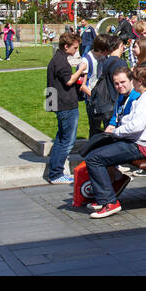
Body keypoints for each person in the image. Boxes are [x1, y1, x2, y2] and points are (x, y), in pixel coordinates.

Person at [84, 64, 146, 218]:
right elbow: (130, 119)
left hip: (140, 146)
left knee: (94, 159)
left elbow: (136, 125)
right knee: (94, 152)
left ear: (139, 81)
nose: (131, 83)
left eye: (132, 79)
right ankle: (105, 196)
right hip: (136, 142)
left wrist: (116, 132)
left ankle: (110, 202)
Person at [45, 32, 86, 185]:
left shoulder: (57, 59)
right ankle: (56, 174)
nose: (76, 50)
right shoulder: (61, 61)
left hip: (59, 103)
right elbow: (69, 81)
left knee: (61, 138)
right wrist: (81, 69)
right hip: (66, 104)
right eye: (74, 47)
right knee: (67, 140)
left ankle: (55, 172)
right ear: (66, 46)